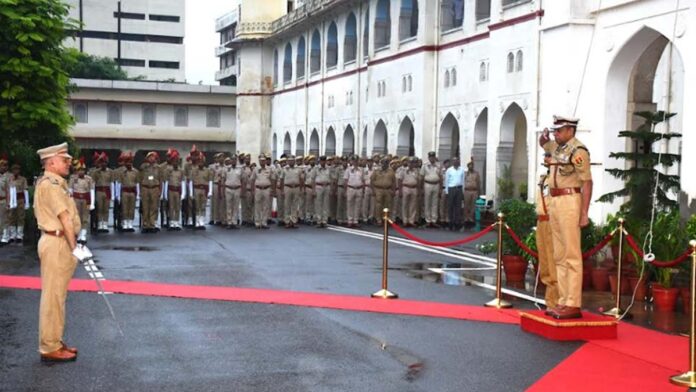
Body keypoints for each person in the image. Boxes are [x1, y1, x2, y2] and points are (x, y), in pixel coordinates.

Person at [34, 142, 91, 362]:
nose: (69, 163)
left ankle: (54, 340)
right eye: (64, 160)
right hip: (57, 243)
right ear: (51, 162)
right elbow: (64, 218)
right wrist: (74, 246)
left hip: (57, 242)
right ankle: (49, 347)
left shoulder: (56, 183)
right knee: (53, 297)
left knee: (58, 296)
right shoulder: (51, 184)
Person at [539, 115, 593, 319]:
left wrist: (584, 213)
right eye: (554, 131)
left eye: (559, 131)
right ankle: (563, 300)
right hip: (555, 201)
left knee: (571, 254)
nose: (555, 134)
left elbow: (587, 182)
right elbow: (544, 144)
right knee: (559, 255)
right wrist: (543, 137)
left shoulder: (578, 151)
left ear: (570, 130)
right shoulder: (558, 148)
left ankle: (573, 303)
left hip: (570, 200)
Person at [535, 171, 559, 311]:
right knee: (544, 263)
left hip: (552, 221)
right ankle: (549, 300)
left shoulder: (559, 178)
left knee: (552, 261)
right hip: (541, 221)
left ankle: (555, 301)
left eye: (549, 155)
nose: (547, 158)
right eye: (546, 155)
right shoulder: (543, 178)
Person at [68, 158, 94, 243]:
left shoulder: (89, 179)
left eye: (83, 170)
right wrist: (69, 202)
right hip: (76, 199)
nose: (81, 172)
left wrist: (92, 203)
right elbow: (70, 190)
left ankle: (83, 234)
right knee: (77, 217)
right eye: (79, 170)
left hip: (86, 199)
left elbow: (92, 191)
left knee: (85, 217)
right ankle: (78, 234)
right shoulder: (73, 178)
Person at [89, 152, 113, 233]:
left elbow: (112, 183)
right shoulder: (96, 172)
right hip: (99, 191)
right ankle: (100, 223)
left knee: (106, 208)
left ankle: (105, 224)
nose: (103, 164)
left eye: (105, 162)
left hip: (107, 191)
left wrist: (112, 194)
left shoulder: (110, 172)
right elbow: (92, 181)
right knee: (99, 208)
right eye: (102, 162)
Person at [139, 152, 163, 233]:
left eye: (153, 157)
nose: (151, 159)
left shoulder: (159, 168)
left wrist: (160, 191)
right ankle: (145, 225)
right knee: (145, 207)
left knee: (154, 207)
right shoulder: (143, 167)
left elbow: (160, 180)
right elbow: (140, 179)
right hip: (145, 188)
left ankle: (152, 225)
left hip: (155, 188)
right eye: (149, 157)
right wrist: (140, 190)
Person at [251, 155, 275, 229]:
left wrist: (272, 190)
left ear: (265, 161)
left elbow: (273, 179)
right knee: (257, 206)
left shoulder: (269, 169)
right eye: (261, 160)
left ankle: (264, 222)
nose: (262, 162)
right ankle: (257, 223)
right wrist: (252, 190)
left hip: (267, 189)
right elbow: (252, 180)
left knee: (266, 206)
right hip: (258, 189)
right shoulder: (255, 169)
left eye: (264, 160)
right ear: (259, 161)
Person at [7, 163, 29, 242]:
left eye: (17, 169)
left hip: (20, 199)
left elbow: (25, 190)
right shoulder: (9, 179)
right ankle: (12, 235)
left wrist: (26, 203)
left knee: (20, 217)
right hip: (12, 199)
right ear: (12, 170)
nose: (16, 171)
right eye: (14, 169)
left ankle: (20, 235)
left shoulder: (23, 179)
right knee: (11, 217)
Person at [189, 153, 213, 230]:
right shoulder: (193, 170)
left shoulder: (207, 170)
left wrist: (210, 191)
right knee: (196, 206)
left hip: (204, 189)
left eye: (202, 161)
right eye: (199, 161)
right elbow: (191, 182)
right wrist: (191, 192)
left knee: (203, 206)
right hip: (196, 189)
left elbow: (210, 181)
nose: (200, 163)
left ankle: (202, 221)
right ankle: (196, 221)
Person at [164, 149, 185, 230]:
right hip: (171, 190)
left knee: (177, 207)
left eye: (177, 161)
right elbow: (166, 182)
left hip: (178, 190)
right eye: (174, 161)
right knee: (171, 206)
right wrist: (165, 193)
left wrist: (183, 193)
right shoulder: (169, 170)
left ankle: (176, 221)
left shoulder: (181, 171)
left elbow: (182, 181)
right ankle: (172, 222)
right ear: (172, 162)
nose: (175, 163)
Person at [370, 157, 396, 225]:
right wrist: (373, 190)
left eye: (386, 163)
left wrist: (393, 190)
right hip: (379, 189)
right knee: (378, 205)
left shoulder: (391, 171)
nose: (385, 164)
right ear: (381, 163)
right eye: (383, 163)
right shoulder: (376, 171)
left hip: (388, 189)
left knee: (387, 205)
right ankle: (378, 219)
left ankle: (385, 218)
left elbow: (393, 182)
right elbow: (372, 181)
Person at [116, 152, 138, 232]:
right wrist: (118, 195)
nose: (129, 164)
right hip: (124, 191)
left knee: (131, 208)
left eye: (130, 162)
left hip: (132, 191)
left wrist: (138, 194)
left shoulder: (135, 172)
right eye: (128, 162)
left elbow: (137, 183)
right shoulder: (122, 172)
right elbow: (119, 183)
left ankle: (130, 223)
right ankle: (125, 223)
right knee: (124, 208)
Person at [280, 155, 304, 228]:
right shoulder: (284, 169)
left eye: (292, 161)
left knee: (295, 205)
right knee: (287, 205)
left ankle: (293, 221)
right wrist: (282, 190)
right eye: (289, 161)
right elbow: (281, 180)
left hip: (296, 187)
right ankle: (287, 221)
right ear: (287, 162)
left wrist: (301, 189)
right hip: (287, 187)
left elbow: (301, 179)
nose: (291, 162)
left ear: (294, 161)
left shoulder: (299, 169)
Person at [420, 151, 442, 228]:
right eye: (430, 157)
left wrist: (440, 189)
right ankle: (428, 220)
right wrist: (422, 188)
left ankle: (434, 220)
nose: (432, 158)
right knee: (427, 203)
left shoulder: (438, 165)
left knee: (435, 203)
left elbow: (441, 177)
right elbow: (422, 177)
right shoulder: (425, 165)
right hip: (427, 184)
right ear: (429, 157)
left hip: (436, 184)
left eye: (433, 157)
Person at [222, 155, 244, 229]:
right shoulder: (226, 169)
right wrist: (222, 190)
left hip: (237, 188)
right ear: (230, 161)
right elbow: (223, 180)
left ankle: (234, 222)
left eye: (235, 159)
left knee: (236, 206)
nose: (233, 161)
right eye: (232, 159)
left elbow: (243, 180)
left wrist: (242, 191)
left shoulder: (240, 169)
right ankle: (229, 222)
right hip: (228, 188)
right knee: (228, 206)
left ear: (236, 160)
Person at [344, 156, 365, 228]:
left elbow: (363, 180)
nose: (355, 162)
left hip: (359, 188)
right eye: (354, 161)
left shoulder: (361, 170)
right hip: (351, 188)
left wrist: (363, 190)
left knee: (358, 205)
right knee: (350, 205)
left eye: (356, 161)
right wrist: (345, 190)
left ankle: (356, 220)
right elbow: (346, 180)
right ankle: (350, 220)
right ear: (351, 161)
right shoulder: (348, 170)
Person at [444, 157, 464, 231]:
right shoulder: (449, 170)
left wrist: (462, 191)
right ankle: (450, 222)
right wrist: (447, 191)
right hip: (451, 188)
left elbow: (462, 181)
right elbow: (446, 181)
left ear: (459, 161)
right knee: (450, 207)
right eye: (454, 161)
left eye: (457, 160)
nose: (456, 162)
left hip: (459, 188)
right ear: (452, 162)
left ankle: (457, 222)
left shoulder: (461, 169)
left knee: (458, 207)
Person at [399, 157, 420, 227]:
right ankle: (405, 220)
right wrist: (400, 191)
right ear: (407, 163)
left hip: (414, 188)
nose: (411, 164)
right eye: (410, 162)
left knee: (413, 205)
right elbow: (400, 180)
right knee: (405, 205)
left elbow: (419, 180)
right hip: (406, 187)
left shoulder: (416, 171)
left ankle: (411, 220)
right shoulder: (403, 170)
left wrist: (419, 190)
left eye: (412, 162)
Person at [312, 156, 332, 228]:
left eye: (324, 161)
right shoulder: (316, 169)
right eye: (321, 161)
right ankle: (319, 220)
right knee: (318, 204)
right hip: (318, 186)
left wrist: (331, 189)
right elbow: (313, 180)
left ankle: (324, 221)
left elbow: (331, 178)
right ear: (319, 161)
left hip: (327, 186)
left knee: (326, 204)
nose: (323, 162)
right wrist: (313, 190)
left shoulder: (328, 168)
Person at [463, 158, 481, 227]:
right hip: (467, 191)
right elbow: (463, 182)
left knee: (473, 206)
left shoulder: (476, 173)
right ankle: (466, 218)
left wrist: (479, 193)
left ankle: (471, 218)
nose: (471, 166)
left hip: (474, 191)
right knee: (466, 205)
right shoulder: (465, 174)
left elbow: (478, 183)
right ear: (468, 166)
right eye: (469, 165)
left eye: (472, 165)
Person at [0, 156, 9, 246]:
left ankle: (4, 237)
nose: (3, 167)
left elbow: (8, 191)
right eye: (1, 165)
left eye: (4, 166)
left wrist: (8, 202)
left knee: (3, 220)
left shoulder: (6, 177)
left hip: (2, 200)